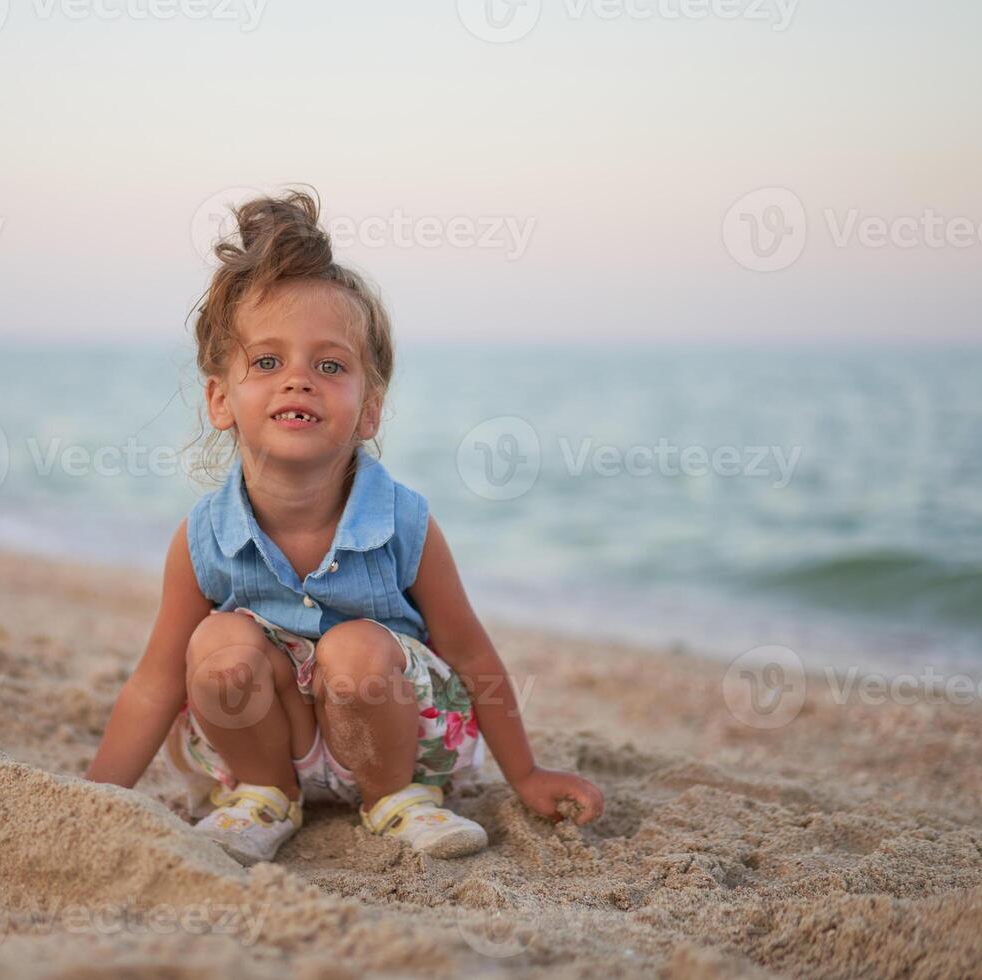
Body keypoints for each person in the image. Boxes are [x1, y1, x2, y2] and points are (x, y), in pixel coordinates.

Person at [84, 188, 603, 864]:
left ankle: (395, 802)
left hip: (398, 744)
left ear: (369, 411)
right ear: (220, 399)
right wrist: (94, 796)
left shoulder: (402, 523)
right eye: (267, 362)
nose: (298, 380)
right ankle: (266, 799)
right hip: (269, 745)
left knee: (354, 650)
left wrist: (526, 774)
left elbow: (472, 655)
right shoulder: (204, 537)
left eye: (329, 366)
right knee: (216, 644)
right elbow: (154, 683)